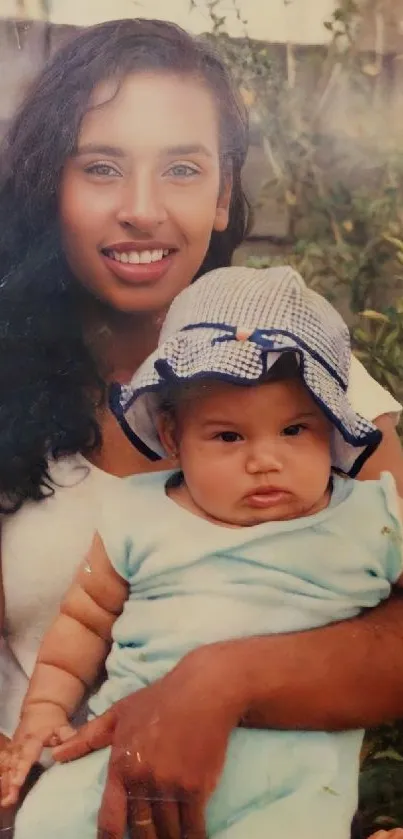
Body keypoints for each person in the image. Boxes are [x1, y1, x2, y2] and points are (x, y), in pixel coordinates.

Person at [0, 17, 402, 839]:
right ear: (53, 185)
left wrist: (219, 682)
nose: (141, 211)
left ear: (223, 194)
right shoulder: (9, 386)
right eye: (102, 167)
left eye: (182, 169)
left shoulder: (314, 387)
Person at [3, 265, 403, 839]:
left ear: (333, 428)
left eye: (295, 431)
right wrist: (42, 712)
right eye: (229, 437)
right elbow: (83, 621)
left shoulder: (369, 518)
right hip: (118, 765)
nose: (265, 459)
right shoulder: (143, 513)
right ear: (172, 439)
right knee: (50, 820)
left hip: (285, 794)